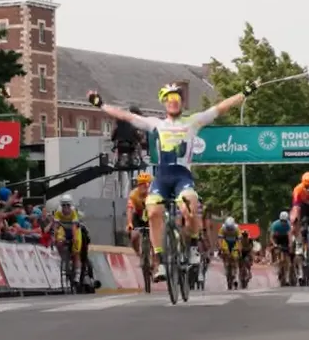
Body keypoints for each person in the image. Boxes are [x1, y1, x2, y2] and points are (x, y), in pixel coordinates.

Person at [87, 81, 255, 272]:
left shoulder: (193, 121)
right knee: (152, 212)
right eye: (169, 99)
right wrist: (100, 104)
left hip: (183, 177)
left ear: (182, 103)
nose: (173, 102)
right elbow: (125, 115)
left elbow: (220, 108)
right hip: (162, 178)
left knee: (191, 206)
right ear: (164, 103)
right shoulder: (155, 124)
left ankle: (192, 247)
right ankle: (159, 262)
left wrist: (244, 93)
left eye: (176, 98)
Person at [126, 172, 158, 276]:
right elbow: (130, 209)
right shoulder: (133, 194)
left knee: (154, 240)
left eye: (146, 183)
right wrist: (129, 223)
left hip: (151, 216)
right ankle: (140, 255)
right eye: (141, 184)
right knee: (134, 236)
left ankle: (155, 262)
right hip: (139, 216)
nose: (144, 186)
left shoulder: (153, 193)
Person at [52, 194, 84, 283]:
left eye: (68, 205)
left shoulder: (73, 212)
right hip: (64, 229)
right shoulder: (58, 212)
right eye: (63, 205)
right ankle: (63, 258)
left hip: (75, 231)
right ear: (61, 205)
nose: (66, 207)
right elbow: (56, 226)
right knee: (59, 241)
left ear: (71, 205)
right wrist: (54, 237)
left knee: (76, 252)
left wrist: (74, 238)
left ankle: (77, 273)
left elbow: (74, 227)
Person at [269, 211, 293, 283]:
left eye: (285, 221)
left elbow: (289, 236)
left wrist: (290, 244)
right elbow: (271, 237)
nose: (283, 223)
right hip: (277, 238)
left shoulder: (288, 225)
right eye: (282, 221)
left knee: (287, 257)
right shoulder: (275, 225)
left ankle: (287, 275)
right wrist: (274, 244)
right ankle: (275, 261)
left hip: (285, 238)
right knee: (276, 250)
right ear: (280, 220)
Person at [219, 217, 243, 285]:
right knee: (225, 254)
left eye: (231, 228)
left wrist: (239, 249)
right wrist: (221, 248)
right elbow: (220, 239)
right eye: (228, 228)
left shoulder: (237, 229)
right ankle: (226, 266)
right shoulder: (222, 229)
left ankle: (235, 274)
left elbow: (239, 240)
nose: (229, 230)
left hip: (234, 243)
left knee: (235, 257)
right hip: (225, 243)